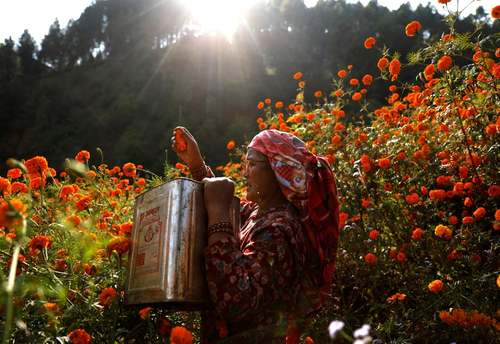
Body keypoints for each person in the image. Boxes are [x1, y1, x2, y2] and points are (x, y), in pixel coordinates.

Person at [171, 127, 340, 343]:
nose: (245, 172)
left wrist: (218, 212)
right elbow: (230, 210)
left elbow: (236, 300)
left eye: (252, 164)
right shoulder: (259, 212)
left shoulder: (281, 229)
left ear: (278, 170)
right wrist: (196, 165)